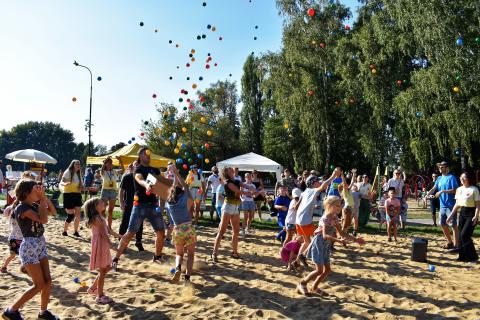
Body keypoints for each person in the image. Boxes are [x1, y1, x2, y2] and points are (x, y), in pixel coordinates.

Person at [2, 179, 59, 320]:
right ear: (27, 193)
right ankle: (11, 310)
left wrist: (43, 198)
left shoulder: (34, 204)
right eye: (36, 189)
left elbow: (53, 212)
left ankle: (43, 312)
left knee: (47, 280)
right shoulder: (21, 208)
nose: (39, 190)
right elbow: (44, 220)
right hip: (29, 247)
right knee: (38, 284)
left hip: (40, 244)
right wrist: (41, 200)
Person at [297, 196, 364, 295]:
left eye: (340, 206)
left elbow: (342, 234)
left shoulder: (335, 218)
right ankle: (302, 284)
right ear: (329, 206)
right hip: (319, 243)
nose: (339, 208)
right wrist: (338, 240)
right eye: (337, 206)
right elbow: (324, 235)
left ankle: (314, 287)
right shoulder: (325, 218)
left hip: (326, 245)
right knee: (319, 270)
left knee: (327, 270)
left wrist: (356, 239)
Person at [112, 148, 167, 270]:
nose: (148, 155)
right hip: (140, 205)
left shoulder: (154, 170)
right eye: (145, 153)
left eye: (149, 153)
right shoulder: (138, 169)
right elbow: (139, 179)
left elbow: (162, 183)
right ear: (140, 156)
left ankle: (157, 257)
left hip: (153, 205)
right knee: (130, 233)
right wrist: (146, 184)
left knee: (161, 233)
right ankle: (115, 258)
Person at [294, 170, 339, 267]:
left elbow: (301, 204)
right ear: (313, 183)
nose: (319, 183)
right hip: (304, 220)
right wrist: (333, 175)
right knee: (316, 238)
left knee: (307, 242)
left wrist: (312, 207)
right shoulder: (313, 190)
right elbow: (324, 186)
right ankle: (302, 256)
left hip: (299, 220)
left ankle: (297, 261)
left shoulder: (305, 191)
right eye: (317, 181)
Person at [211, 167, 256, 262]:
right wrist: (250, 191)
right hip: (227, 207)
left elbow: (244, 185)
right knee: (222, 231)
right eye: (230, 169)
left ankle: (234, 253)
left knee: (236, 230)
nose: (232, 170)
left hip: (235, 207)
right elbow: (239, 191)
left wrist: (251, 187)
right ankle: (214, 253)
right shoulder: (228, 183)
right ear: (226, 173)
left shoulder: (236, 180)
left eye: (232, 169)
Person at [84, 197, 119, 304]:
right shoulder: (96, 218)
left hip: (103, 244)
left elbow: (109, 231)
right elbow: (104, 235)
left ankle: (93, 289)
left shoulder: (100, 217)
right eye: (100, 203)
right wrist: (112, 245)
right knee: (103, 270)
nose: (103, 203)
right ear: (95, 207)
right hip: (100, 244)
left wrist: (121, 236)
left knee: (107, 267)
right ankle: (100, 296)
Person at [166, 166, 196, 285]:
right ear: (181, 192)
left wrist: (174, 175)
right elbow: (185, 185)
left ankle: (178, 268)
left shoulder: (169, 203)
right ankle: (187, 279)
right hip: (188, 228)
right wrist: (177, 174)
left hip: (177, 230)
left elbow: (174, 188)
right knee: (191, 255)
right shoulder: (184, 198)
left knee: (179, 254)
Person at [426, 161, 459, 251]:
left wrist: (443, 191)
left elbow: (456, 190)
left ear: (447, 168)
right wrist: (426, 195)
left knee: (453, 225)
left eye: (442, 167)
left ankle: (457, 246)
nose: (440, 168)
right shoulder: (439, 178)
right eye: (440, 167)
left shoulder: (451, 177)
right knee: (442, 224)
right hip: (442, 205)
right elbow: (434, 188)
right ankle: (450, 242)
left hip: (451, 205)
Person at [446, 172, 479, 262]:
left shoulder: (474, 189)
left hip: (471, 214)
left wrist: (476, 216)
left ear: (468, 179)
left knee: (465, 235)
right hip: (462, 213)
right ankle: (462, 257)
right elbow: (457, 204)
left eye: (464, 178)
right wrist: (450, 216)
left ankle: (473, 257)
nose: (462, 179)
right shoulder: (459, 189)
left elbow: (477, 206)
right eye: (461, 178)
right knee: (460, 236)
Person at [119, 163, 144, 251]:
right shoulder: (127, 177)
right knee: (125, 222)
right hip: (128, 203)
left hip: (140, 204)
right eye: (135, 165)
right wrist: (121, 202)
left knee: (140, 223)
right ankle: (121, 239)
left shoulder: (143, 177)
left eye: (138, 165)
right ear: (132, 167)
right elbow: (121, 190)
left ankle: (138, 241)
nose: (137, 166)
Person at [60, 160, 83, 237]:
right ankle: (64, 231)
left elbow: (81, 187)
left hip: (77, 195)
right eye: (76, 164)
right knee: (70, 216)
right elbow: (62, 181)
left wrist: (89, 188)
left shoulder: (79, 174)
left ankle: (76, 231)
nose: (78, 165)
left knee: (78, 215)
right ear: (73, 165)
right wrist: (65, 183)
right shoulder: (68, 171)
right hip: (68, 195)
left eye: (79, 164)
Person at [1, 204, 24, 274]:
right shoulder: (21, 218)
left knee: (12, 255)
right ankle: (25, 268)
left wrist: (12, 206)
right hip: (21, 239)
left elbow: (5, 212)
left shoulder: (11, 217)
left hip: (12, 238)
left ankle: (4, 267)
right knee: (23, 255)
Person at [100, 157, 119, 229]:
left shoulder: (114, 171)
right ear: (106, 164)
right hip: (105, 190)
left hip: (113, 191)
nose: (111, 164)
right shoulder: (103, 172)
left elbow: (123, 170)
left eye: (111, 163)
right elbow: (102, 169)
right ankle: (102, 226)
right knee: (102, 210)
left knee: (110, 211)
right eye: (109, 163)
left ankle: (109, 227)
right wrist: (104, 163)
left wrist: (120, 160)